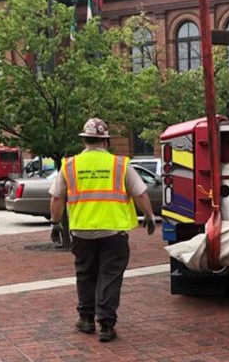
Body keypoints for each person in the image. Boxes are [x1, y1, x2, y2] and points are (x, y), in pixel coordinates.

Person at [49, 117, 155, 343]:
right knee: (110, 276)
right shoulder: (120, 164)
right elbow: (141, 194)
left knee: (85, 274)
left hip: (81, 231)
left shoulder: (69, 165)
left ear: (84, 140)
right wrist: (149, 216)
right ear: (105, 141)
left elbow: (57, 198)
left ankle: (86, 319)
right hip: (113, 231)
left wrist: (55, 223)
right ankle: (106, 324)